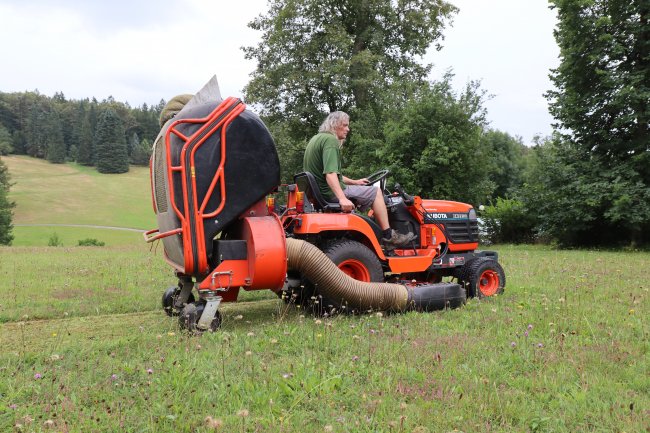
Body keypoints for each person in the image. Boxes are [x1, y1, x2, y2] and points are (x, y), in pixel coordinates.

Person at [303, 111, 415, 249]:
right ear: (335, 125)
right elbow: (330, 175)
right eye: (345, 125)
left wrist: (355, 182)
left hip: (319, 192)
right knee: (376, 193)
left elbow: (333, 174)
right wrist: (342, 198)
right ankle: (389, 236)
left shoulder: (316, 139)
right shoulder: (330, 141)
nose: (348, 129)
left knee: (369, 191)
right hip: (329, 193)